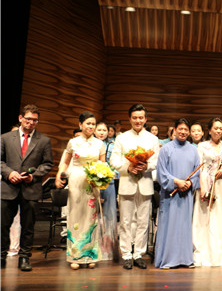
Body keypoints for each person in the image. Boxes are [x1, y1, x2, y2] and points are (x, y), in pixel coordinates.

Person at [1, 104, 53, 271]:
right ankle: (1, 255)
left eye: (35, 120)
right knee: (2, 225)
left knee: (28, 226)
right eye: (28, 119)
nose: (31, 122)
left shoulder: (44, 140)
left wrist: (34, 175)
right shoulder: (5, 138)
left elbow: (48, 164)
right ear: (20, 118)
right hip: (8, 187)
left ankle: (24, 257)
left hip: (31, 188)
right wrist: (9, 173)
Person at [110, 103, 160, 270]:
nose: (138, 121)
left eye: (141, 118)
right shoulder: (121, 138)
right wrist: (128, 167)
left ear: (145, 119)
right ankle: (126, 254)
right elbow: (114, 160)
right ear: (129, 119)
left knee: (143, 221)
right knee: (125, 221)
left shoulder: (153, 139)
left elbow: (156, 161)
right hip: (127, 182)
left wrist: (147, 166)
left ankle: (138, 254)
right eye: (135, 118)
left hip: (145, 183)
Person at [55, 112, 107, 270]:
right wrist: (59, 175)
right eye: (88, 123)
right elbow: (65, 162)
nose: (91, 126)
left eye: (93, 124)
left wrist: (101, 178)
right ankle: (75, 256)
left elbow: (103, 165)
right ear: (80, 124)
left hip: (92, 183)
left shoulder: (100, 144)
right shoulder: (73, 142)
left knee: (91, 219)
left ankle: (91, 255)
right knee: (75, 217)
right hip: (76, 181)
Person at [154, 118, 200, 269]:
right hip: (170, 195)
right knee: (169, 226)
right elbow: (161, 173)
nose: (183, 132)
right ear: (174, 130)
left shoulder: (193, 150)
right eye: (180, 129)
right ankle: (167, 260)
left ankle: (185, 259)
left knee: (185, 226)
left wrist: (190, 183)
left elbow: (197, 171)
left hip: (186, 195)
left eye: (186, 129)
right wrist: (176, 182)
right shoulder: (166, 149)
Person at [192, 117, 222, 266]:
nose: (218, 131)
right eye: (216, 128)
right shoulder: (202, 146)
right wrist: (203, 187)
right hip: (206, 184)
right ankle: (206, 251)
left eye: (220, 128)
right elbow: (199, 167)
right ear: (209, 130)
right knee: (205, 216)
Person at [94, 121, 119, 262]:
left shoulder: (113, 145)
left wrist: (113, 173)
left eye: (104, 130)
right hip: (92, 183)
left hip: (109, 182)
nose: (102, 132)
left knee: (109, 214)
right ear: (94, 131)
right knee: (94, 214)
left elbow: (116, 163)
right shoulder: (90, 144)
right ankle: (93, 248)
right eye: (99, 130)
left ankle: (107, 250)